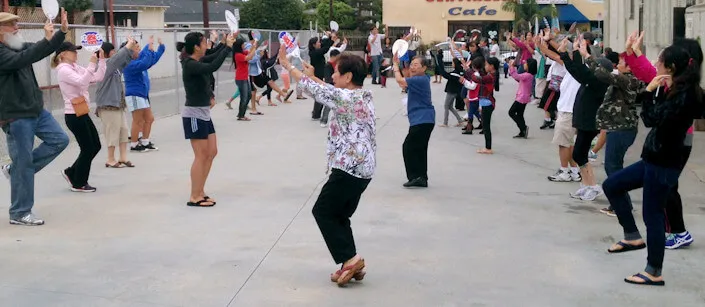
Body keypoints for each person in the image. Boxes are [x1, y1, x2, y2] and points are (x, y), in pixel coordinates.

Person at [603, 44, 703, 286]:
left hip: (664, 164)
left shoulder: (684, 95)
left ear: (671, 67)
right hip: (653, 159)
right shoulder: (677, 88)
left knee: (653, 216)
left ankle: (653, 271)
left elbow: (651, 118)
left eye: (660, 61)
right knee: (612, 186)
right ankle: (632, 236)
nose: (656, 64)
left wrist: (649, 92)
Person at [279, 47, 376, 287]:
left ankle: (351, 259)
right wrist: (311, 76)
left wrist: (287, 65)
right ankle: (349, 263)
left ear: (348, 77)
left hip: (349, 168)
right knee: (339, 215)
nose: (332, 76)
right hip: (362, 169)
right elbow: (327, 91)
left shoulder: (347, 99)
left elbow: (323, 92)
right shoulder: (359, 96)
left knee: (322, 211)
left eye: (336, 72)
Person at [624, 32, 702, 249]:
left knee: (667, 186)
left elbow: (650, 78)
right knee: (667, 186)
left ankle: (678, 231)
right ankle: (676, 231)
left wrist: (635, 54)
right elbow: (649, 73)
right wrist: (633, 52)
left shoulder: (686, 91)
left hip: (676, 140)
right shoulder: (676, 83)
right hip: (670, 140)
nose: (659, 64)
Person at [0, 10, 70, 225]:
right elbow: (26, 57)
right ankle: (20, 213)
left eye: (16, 23)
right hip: (16, 116)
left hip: (35, 110)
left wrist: (61, 33)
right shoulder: (3, 53)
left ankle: (16, 169)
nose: (16, 28)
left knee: (60, 140)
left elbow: (40, 49)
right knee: (24, 161)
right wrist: (48, 39)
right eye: (11, 25)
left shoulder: (15, 46)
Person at [178, 31, 235, 207]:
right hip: (194, 114)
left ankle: (201, 191)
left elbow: (212, 57)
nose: (206, 46)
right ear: (196, 46)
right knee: (201, 155)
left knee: (211, 152)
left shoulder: (197, 60)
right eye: (204, 43)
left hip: (204, 113)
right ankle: (194, 196)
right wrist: (227, 48)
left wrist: (225, 45)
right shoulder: (190, 64)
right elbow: (212, 66)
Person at [590, 51, 644, 217]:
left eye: (620, 62)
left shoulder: (627, 80)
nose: (617, 65)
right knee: (614, 166)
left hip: (622, 129)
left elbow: (600, 73)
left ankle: (622, 205)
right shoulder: (624, 78)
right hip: (618, 127)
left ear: (628, 67)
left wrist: (586, 55)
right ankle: (619, 204)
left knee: (612, 166)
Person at [561, 38, 612, 201]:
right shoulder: (593, 79)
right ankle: (586, 185)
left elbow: (580, 71)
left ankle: (592, 186)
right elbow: (579, 70)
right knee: (579, 154)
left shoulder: (598, 82)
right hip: (584, 121)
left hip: (589, 123)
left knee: (579, 154)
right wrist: (573, 52)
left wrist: (569, 53)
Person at [53, 41, 107, 192]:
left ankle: (72, 172)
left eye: (76, 51)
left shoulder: (75, 67)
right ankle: (79, 182)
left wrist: (101, 61)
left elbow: (97, 77)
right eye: (73, 51)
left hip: (81, 112)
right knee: (87, 148)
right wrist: (91, 64)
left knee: (95, 145)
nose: (76, 53)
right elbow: (82, 82)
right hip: (73, 114)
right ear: (63, 54)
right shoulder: (63, 70)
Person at [392, 56, 435, 188]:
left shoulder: (420, 80)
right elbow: (403, 81)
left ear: (424, 68)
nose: (412, 66)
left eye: (416, 65)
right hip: (425, 119)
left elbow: (400, 80)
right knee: (420, 149)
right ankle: (421, 177)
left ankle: (415, 176)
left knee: (408, 147)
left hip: (422, 119)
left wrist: (395, 65)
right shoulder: (423, 78)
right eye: (412, 64)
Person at [96, 40, 137, 169]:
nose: (115, 53)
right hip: (108, 104)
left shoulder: (115, 67)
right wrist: (128, 46)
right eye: (112, 50)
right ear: (107, 53)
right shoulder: (105, 65)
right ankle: (110, 158)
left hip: (117, 104)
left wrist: (131, 49)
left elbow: (124, 60)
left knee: (123, 130)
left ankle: (123, 157)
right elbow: (118, 58)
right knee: (112, 131)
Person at [123, 36, 164, 153]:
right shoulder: (128, 64)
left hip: (142, 94)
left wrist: (160, 47)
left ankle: (145, 141)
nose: (139, 50)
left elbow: (151, 59)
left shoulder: (137, 59)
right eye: (136, 48)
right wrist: (149, 49)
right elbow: (146, 61)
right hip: (135, 94)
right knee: (138, 120)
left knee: (149, 119)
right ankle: (134, 144)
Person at [467, 57, 499, 154]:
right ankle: (487, 147)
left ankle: (488, 148)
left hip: (488, 103)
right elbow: (481, 75)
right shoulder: (491, 74)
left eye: (486, 65)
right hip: (486, 102)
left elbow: (476, 79)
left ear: (491, 66)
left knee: (486, 126)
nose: (485, 66)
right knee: (485, 125)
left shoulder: (490, 76)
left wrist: (468, 70)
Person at [508, 58, 538, 138]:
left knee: (511, 112)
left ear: (529, 66)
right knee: (520, 114)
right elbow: (518, 78)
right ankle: (522, 131)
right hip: (524, 97)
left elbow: (515, 75)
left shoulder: (527, 75)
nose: (524, 65)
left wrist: (511, 66)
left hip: (521, 97)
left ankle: (523, 127)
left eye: (525, 64)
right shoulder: (529, 75)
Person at [231, 38, 258, 121]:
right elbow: (249, 57)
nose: (244, 45)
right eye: (243, 44)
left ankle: (241, 113)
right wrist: (254, 47)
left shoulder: (242, 52)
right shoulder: (237, 55)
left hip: (244, 78)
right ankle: (241, 115)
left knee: (248, 95)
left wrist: (254, 46)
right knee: (244, 97)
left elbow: (250, 53)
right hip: (240, 78)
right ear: (240, 45)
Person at [309, 35, 334, 120]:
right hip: (317, 76)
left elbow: (324, 43)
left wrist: (330, 37)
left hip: (321, 75)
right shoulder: (313, 53)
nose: (320, 43)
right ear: (313, 45)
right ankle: (316, 114)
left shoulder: (317, 50)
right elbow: (325, 49)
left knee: (321, 94)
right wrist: (330, 41)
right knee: (319, 95)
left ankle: (316, 113)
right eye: (318, 42)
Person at [438, 58, 465, 127]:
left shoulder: (455, 73)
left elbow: (446, 75)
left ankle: (445, 123)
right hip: (453, 91)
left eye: (452, 62)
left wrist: (440, 66)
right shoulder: (459, 72)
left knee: (446, 106)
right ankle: (460, 120)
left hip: (452, 91)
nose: (452, 64)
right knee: (450, 107)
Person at [320, 49, 343, 127]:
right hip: (331, 87)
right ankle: (323, 120)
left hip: (337, 86)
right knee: (328, 104)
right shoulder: (328, 65)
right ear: (334, 56)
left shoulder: (337, 64)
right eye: (338, 57)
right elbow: (327, 78)